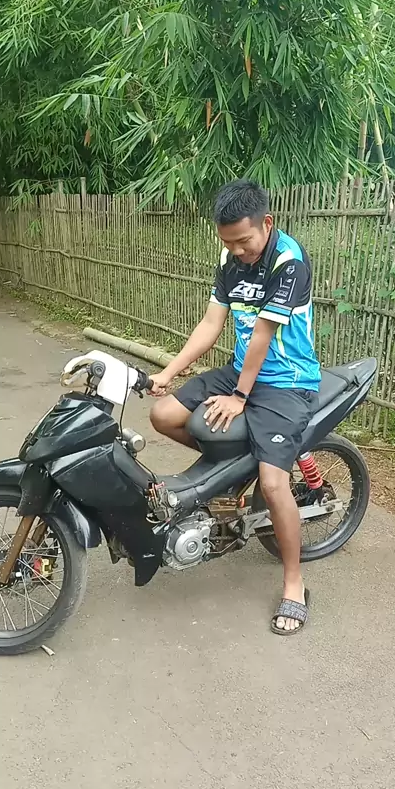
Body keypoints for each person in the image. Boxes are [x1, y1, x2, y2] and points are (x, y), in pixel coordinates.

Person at [149, 179, 321, 636]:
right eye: (228, 243)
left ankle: (294, 583)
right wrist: (169, 373)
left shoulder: (288, 262)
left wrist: (240, 397)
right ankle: (233, 473)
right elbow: (211, 324)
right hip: (241, 370)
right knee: (164, 414)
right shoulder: (230, 260)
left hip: (287, 382)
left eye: (244, 241)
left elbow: (262, 334)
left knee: (274, 482)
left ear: (267, 223)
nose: (237, 251)